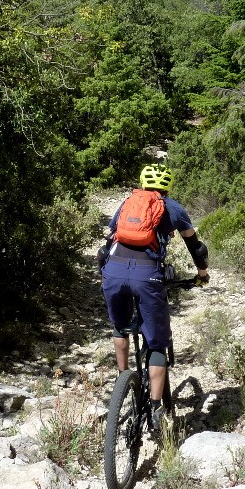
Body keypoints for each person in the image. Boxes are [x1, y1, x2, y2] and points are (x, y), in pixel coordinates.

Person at [97, 163, 210, 435]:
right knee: (157, 343)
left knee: (120, 326)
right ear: (167, 187)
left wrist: (107, 274)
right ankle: (157, 408)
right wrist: (202, 273)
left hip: (113, 270)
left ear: (142, 183)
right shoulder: (173, 208)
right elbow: (196, 246)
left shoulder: (127, 203)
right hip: (147, 276)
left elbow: (106, 245)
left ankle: (122, 382)